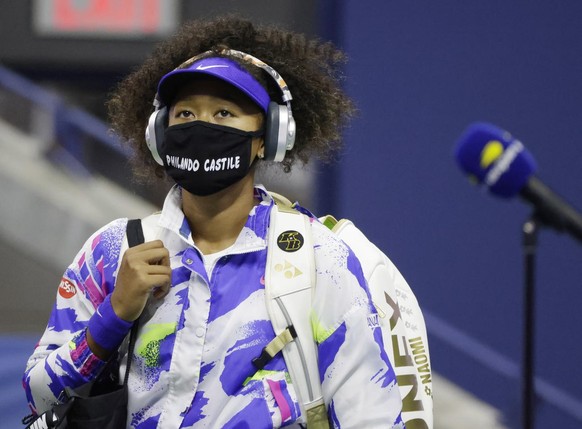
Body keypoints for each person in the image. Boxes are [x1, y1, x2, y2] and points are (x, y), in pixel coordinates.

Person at [23, 15, 405, 428]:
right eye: (185, 114)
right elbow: (38, 394)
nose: (201, 126)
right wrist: (113, 315)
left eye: (224, 113)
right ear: (159, 135)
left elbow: (372, 415)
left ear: (268, 137)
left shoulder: (320, 260)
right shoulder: (112, 251)